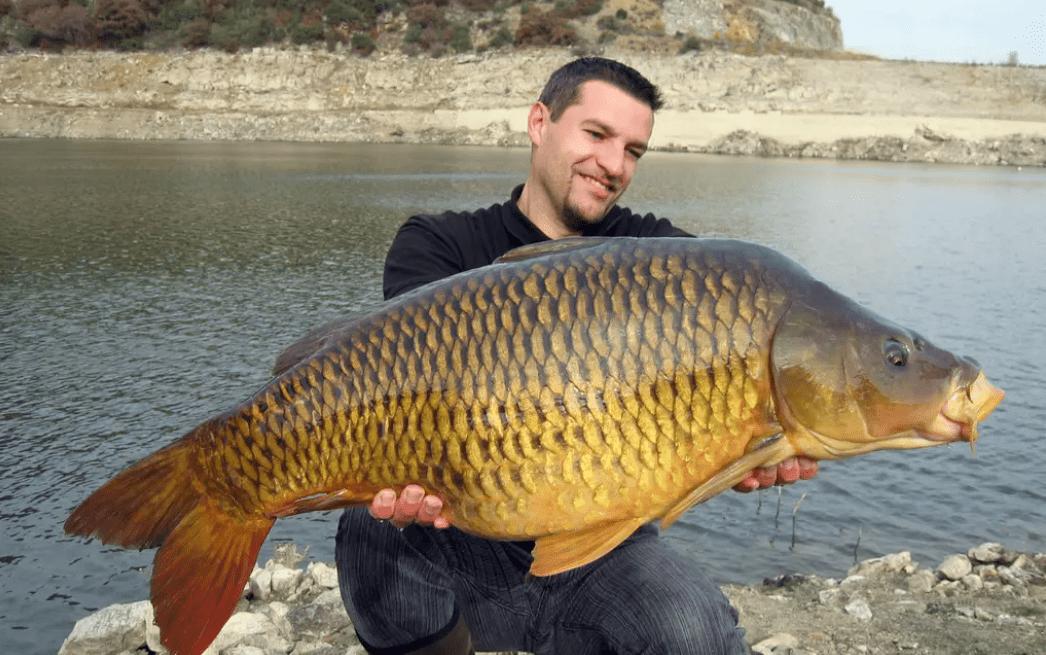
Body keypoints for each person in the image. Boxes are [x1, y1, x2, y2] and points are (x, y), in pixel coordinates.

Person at [335, 57, 818, 655]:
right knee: (369, 526)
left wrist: (748, 445)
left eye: (634, 150)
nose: (614, 166)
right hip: (463, 540)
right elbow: (399, 392)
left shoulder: (668, 263)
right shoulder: (440, 246)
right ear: (540, 123)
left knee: (695, 631)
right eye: (596, 135)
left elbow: (734, 355)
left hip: (605, 554)